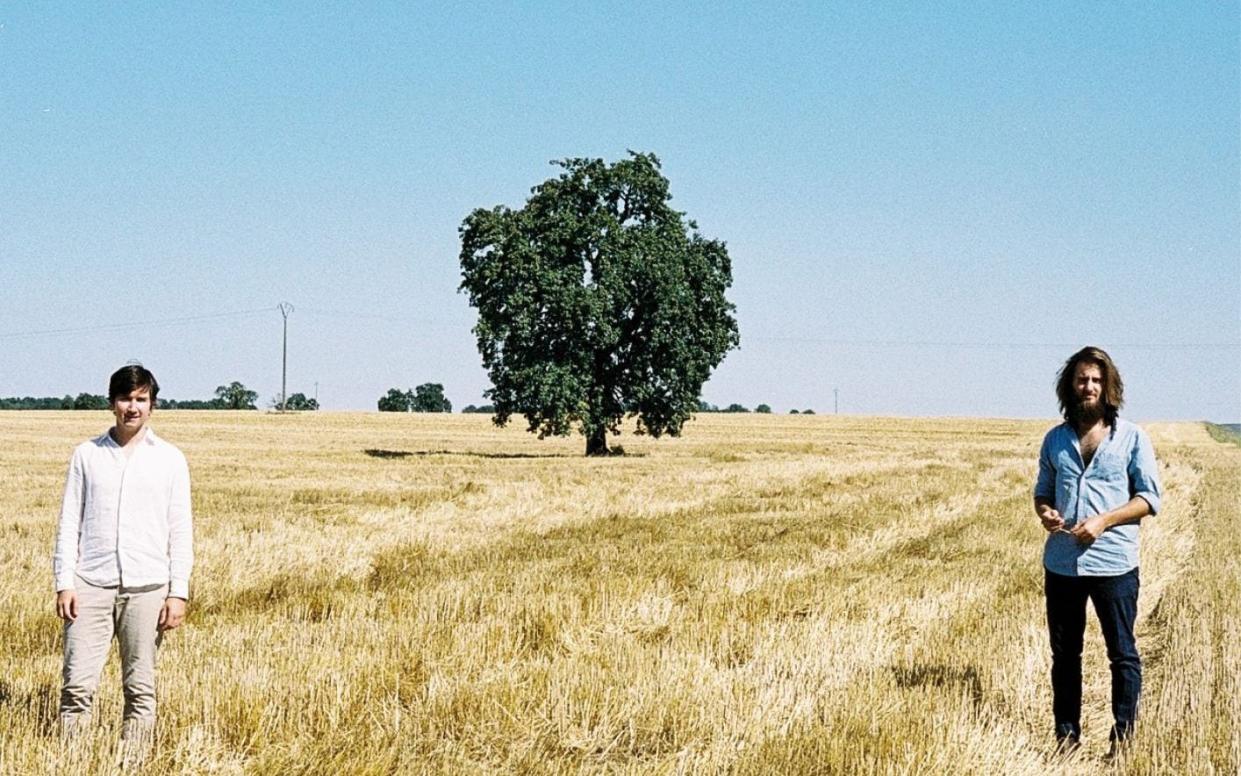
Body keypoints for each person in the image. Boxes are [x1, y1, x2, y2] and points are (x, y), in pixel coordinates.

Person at [52, 364, 193, 757]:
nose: (133, 407)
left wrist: (177, 592)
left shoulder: (170, 459)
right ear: (112, 402)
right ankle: (72, 761)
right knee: (77, 685)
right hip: (90, 585)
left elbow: (180, 530)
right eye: (126, 398)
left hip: (148, 587)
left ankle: (133, 763)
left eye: (141, 399)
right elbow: (68, 523)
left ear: (153, 404)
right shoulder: (86, 455)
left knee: (140, 687)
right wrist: (65, 582)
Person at [1034, 346, 1161, 757]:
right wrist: (1047, 513)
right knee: (1065, 655)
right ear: (1069, 387)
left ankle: (1122, 742)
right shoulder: (1055, 439)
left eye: (1095, 380)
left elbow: (1148, 498)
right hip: (1062, 563)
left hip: (1114, 564)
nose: (1088, 386)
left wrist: (1103, 521)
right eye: (1081, 379)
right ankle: (1066, 739)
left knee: (1122, 653)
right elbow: (1042, 494)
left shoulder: (1133, 437)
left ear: (1108, 387)